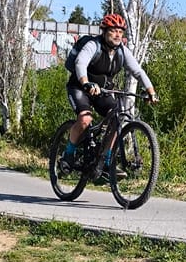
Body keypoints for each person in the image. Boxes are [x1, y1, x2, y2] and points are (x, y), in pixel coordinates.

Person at [59, 12, 158, 175]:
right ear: (104, 32)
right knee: (85, 119)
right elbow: (80, 63)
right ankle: (68, 154)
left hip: (102, 91)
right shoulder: (93, 45)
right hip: (79, 87)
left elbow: (138, 72)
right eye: (113, 31)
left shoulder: (122, 51)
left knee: (117, 119)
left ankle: (105, 160)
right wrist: (86, 83)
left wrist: (151, 91)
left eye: (120, 31)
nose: (118, 35)